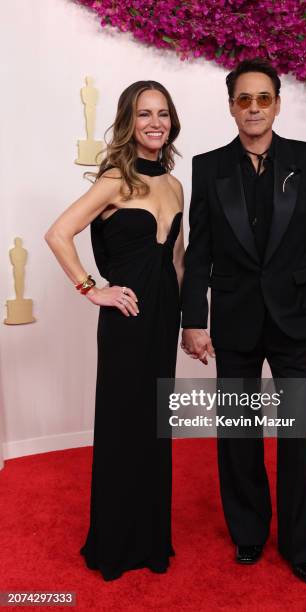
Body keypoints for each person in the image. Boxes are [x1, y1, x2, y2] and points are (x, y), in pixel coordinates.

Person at [181, 58, 306, 583]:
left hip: (296, 320)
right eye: (243, 99)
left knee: (296, 436)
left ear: (276, 102)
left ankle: (299, 546)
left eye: (262, 98)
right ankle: (248, 533)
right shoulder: (207, 167)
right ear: (231, 106)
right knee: (239, 433)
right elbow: (198, 251)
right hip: (234, 317)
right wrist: (193, 320)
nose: (253, 108)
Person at [44, 80, 184, 580]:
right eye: (144, 114)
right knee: (125, 427)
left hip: (164, 318)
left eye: (163, 114)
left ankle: (149, 541)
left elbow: (178, 260)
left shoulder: (173, 182)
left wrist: (193, 323)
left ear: (171, 121)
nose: (155, 123)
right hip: (126, 321)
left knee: (154, 427)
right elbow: (58, 233)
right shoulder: (114, 181)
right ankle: (115, 545)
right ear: (128, 121)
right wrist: (92, 288)